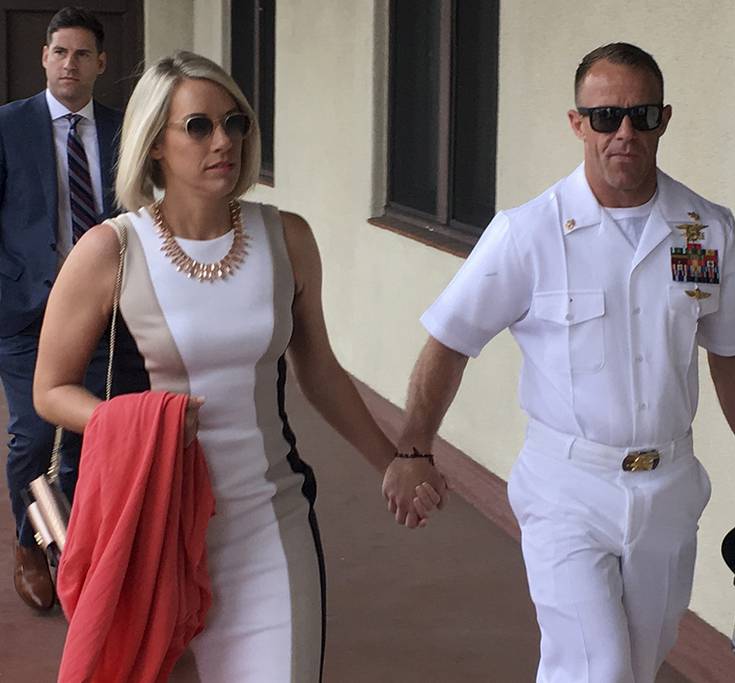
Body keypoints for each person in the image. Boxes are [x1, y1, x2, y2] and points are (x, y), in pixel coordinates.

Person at [384, 42, 735, 683]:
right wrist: (413, 450)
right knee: (594, 668)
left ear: (663, 120)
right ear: (577, 123)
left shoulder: (703, 229)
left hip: (669, 485)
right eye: (605, 117)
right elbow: (450, 340)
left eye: (642, 115)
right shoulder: (528, 234)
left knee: (637, 661)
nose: (624, 132)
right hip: (566, 488)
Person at [34, 50, 443, 681]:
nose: (222, 140)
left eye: (236, 122)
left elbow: (321, 371)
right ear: (154, 145)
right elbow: (50, 389)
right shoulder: (112, 249)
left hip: (268, 520)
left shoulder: (288, 239)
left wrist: (392, 459)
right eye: (198, 127)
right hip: (157, 526)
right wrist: (142, 423)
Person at [0, 6, 144, 611]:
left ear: (100, 64)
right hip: (27, 309)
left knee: (93, 435)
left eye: (82, 54)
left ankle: (76, 548)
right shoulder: (8, 125)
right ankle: (31, 543)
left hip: (107, 310)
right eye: (60, 52)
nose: (69, 63)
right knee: (31, 439)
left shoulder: (125, 130)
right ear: (44, 57)